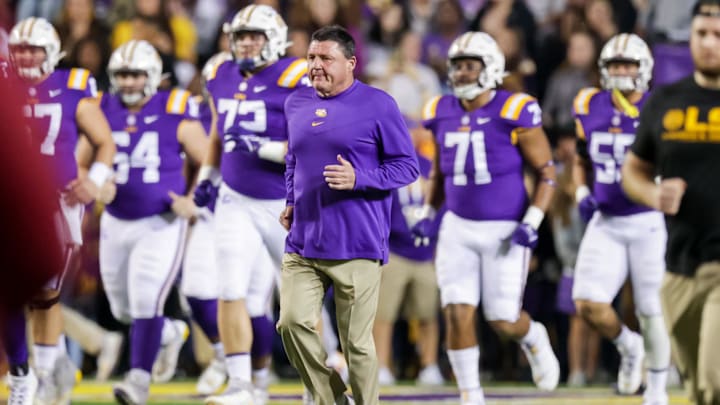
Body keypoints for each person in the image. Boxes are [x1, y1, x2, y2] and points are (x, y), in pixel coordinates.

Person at [413, 31, 560, 405]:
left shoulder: (514, 110)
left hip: (505, 229)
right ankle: (470, 394)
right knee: (457, 311)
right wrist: (429, 211)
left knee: (502, 320)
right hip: (457, 226)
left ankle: (533, 337)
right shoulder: (439, 110)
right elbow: (440, 174)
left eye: (470, 65)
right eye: (458, 65)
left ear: (490, 67)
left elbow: (547, 172)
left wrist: (533, 220)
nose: (461, 73)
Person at [276, 25, 419, 405]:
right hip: (304, 241)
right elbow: (294, 160)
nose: (316, 65)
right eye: (311, 57)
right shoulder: (296, 104)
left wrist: (360, 178)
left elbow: (407, 167)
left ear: (351, 63)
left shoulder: (378, 104)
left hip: (357, 243)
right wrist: (290, 199)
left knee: (356, 345)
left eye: (326, 58)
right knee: (291, 323)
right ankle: (333, 397)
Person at [192, 5, 308, 404]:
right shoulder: (219, 72)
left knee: (300, 298)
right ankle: (241, 385)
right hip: (235, 198)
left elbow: (316, 143)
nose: (245, 43)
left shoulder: (297, 76)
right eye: (240, 36)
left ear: (274, 39)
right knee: (229, 289)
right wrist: (206, 177)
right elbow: (216, 133)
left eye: (254, 36)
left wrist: (263, 148)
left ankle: (319, 376)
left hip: (285, 201)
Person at [82, 39, 207, 404]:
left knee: (144, 299)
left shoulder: (173, 108)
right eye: (123, 74)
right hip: (116, 221)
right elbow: (80, 160)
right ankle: (169, 332)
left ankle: (137, 381)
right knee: (123, 310)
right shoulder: (101, 108)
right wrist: (96, 182)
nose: (130, 82)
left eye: (136, 74)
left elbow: (207, 157)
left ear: (153, 76)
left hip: (161, 222)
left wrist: (194, 199)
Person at [5, 16, 117, 405]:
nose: (26, 56)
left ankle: (46, 374)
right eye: (20, 49)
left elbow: (105, 142)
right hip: (11, 201)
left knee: (44, 293)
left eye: (34, 49)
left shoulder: (73, 88)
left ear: (52, 52)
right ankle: (23, 377)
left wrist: (95, 178)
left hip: (58, 201)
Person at [622, 1, 720, 403]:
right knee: (698, 389)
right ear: (690, 38)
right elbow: (634, 170)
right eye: (702, 34)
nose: (710, 43)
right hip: (678, 267)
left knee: (716, 383)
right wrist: (652, 194)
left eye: (718, 35)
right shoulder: (665, 102)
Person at [571, 33, 671, 404]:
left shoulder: (659, 106)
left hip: (649, 221)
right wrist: (582, 191)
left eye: (628, 65)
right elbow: (581, 158)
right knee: (587, 303)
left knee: (650, 310)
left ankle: (657, 390)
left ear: (643, 69)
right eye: (615, 65)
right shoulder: (587, 102)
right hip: (607, 219)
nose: (621, 71)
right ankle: (630, 348)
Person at [373, 123, 444, 387]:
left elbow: (442, 204)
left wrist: (437, 241)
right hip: (395, 251)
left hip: (425, 251)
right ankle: (381, 365)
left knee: (427, 314)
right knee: (383, 315)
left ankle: (429, 365)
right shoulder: (387, 166)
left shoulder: (429, 166)